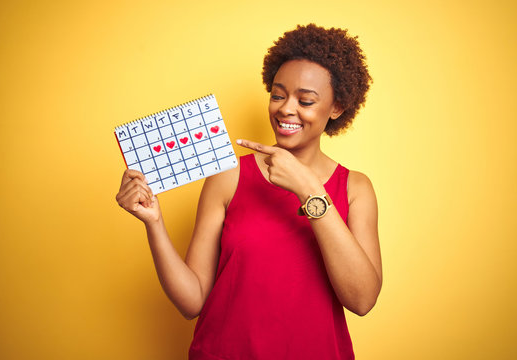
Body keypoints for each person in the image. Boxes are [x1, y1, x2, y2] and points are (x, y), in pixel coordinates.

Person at [116, 24, 382, 360]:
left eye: (306, 100)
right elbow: (192, 301)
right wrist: (153, 222)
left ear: (337, 108)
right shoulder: (229, 175)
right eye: (278, 94)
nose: (286, 108)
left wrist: (308, 190)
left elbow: (362, 300)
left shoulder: (355, 188)